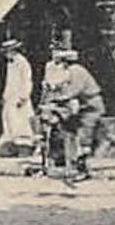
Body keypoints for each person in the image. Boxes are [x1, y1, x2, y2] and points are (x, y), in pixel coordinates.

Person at [39, 41, 106, 179]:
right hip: (84, 105)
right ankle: (74, 163)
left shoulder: (76, 71)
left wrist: (58, 99)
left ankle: (83, 171)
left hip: (92, 106)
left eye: (62, 61)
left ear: (66, 61)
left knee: (83, 133)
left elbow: (74, 90)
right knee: (69, 127)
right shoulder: (71, 71)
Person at [0, 37, 35, 152]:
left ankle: (23, 149)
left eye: (7, 51)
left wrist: (23, 97)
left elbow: (27, 81)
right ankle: (11, 147)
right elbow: (9, 81)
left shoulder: (22, 63)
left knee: (21, 123)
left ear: (13, 51)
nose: (6, 54)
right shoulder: (10, 64)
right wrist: (5, 95)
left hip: (19, 98)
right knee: (9, 122)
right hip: (10, 97)